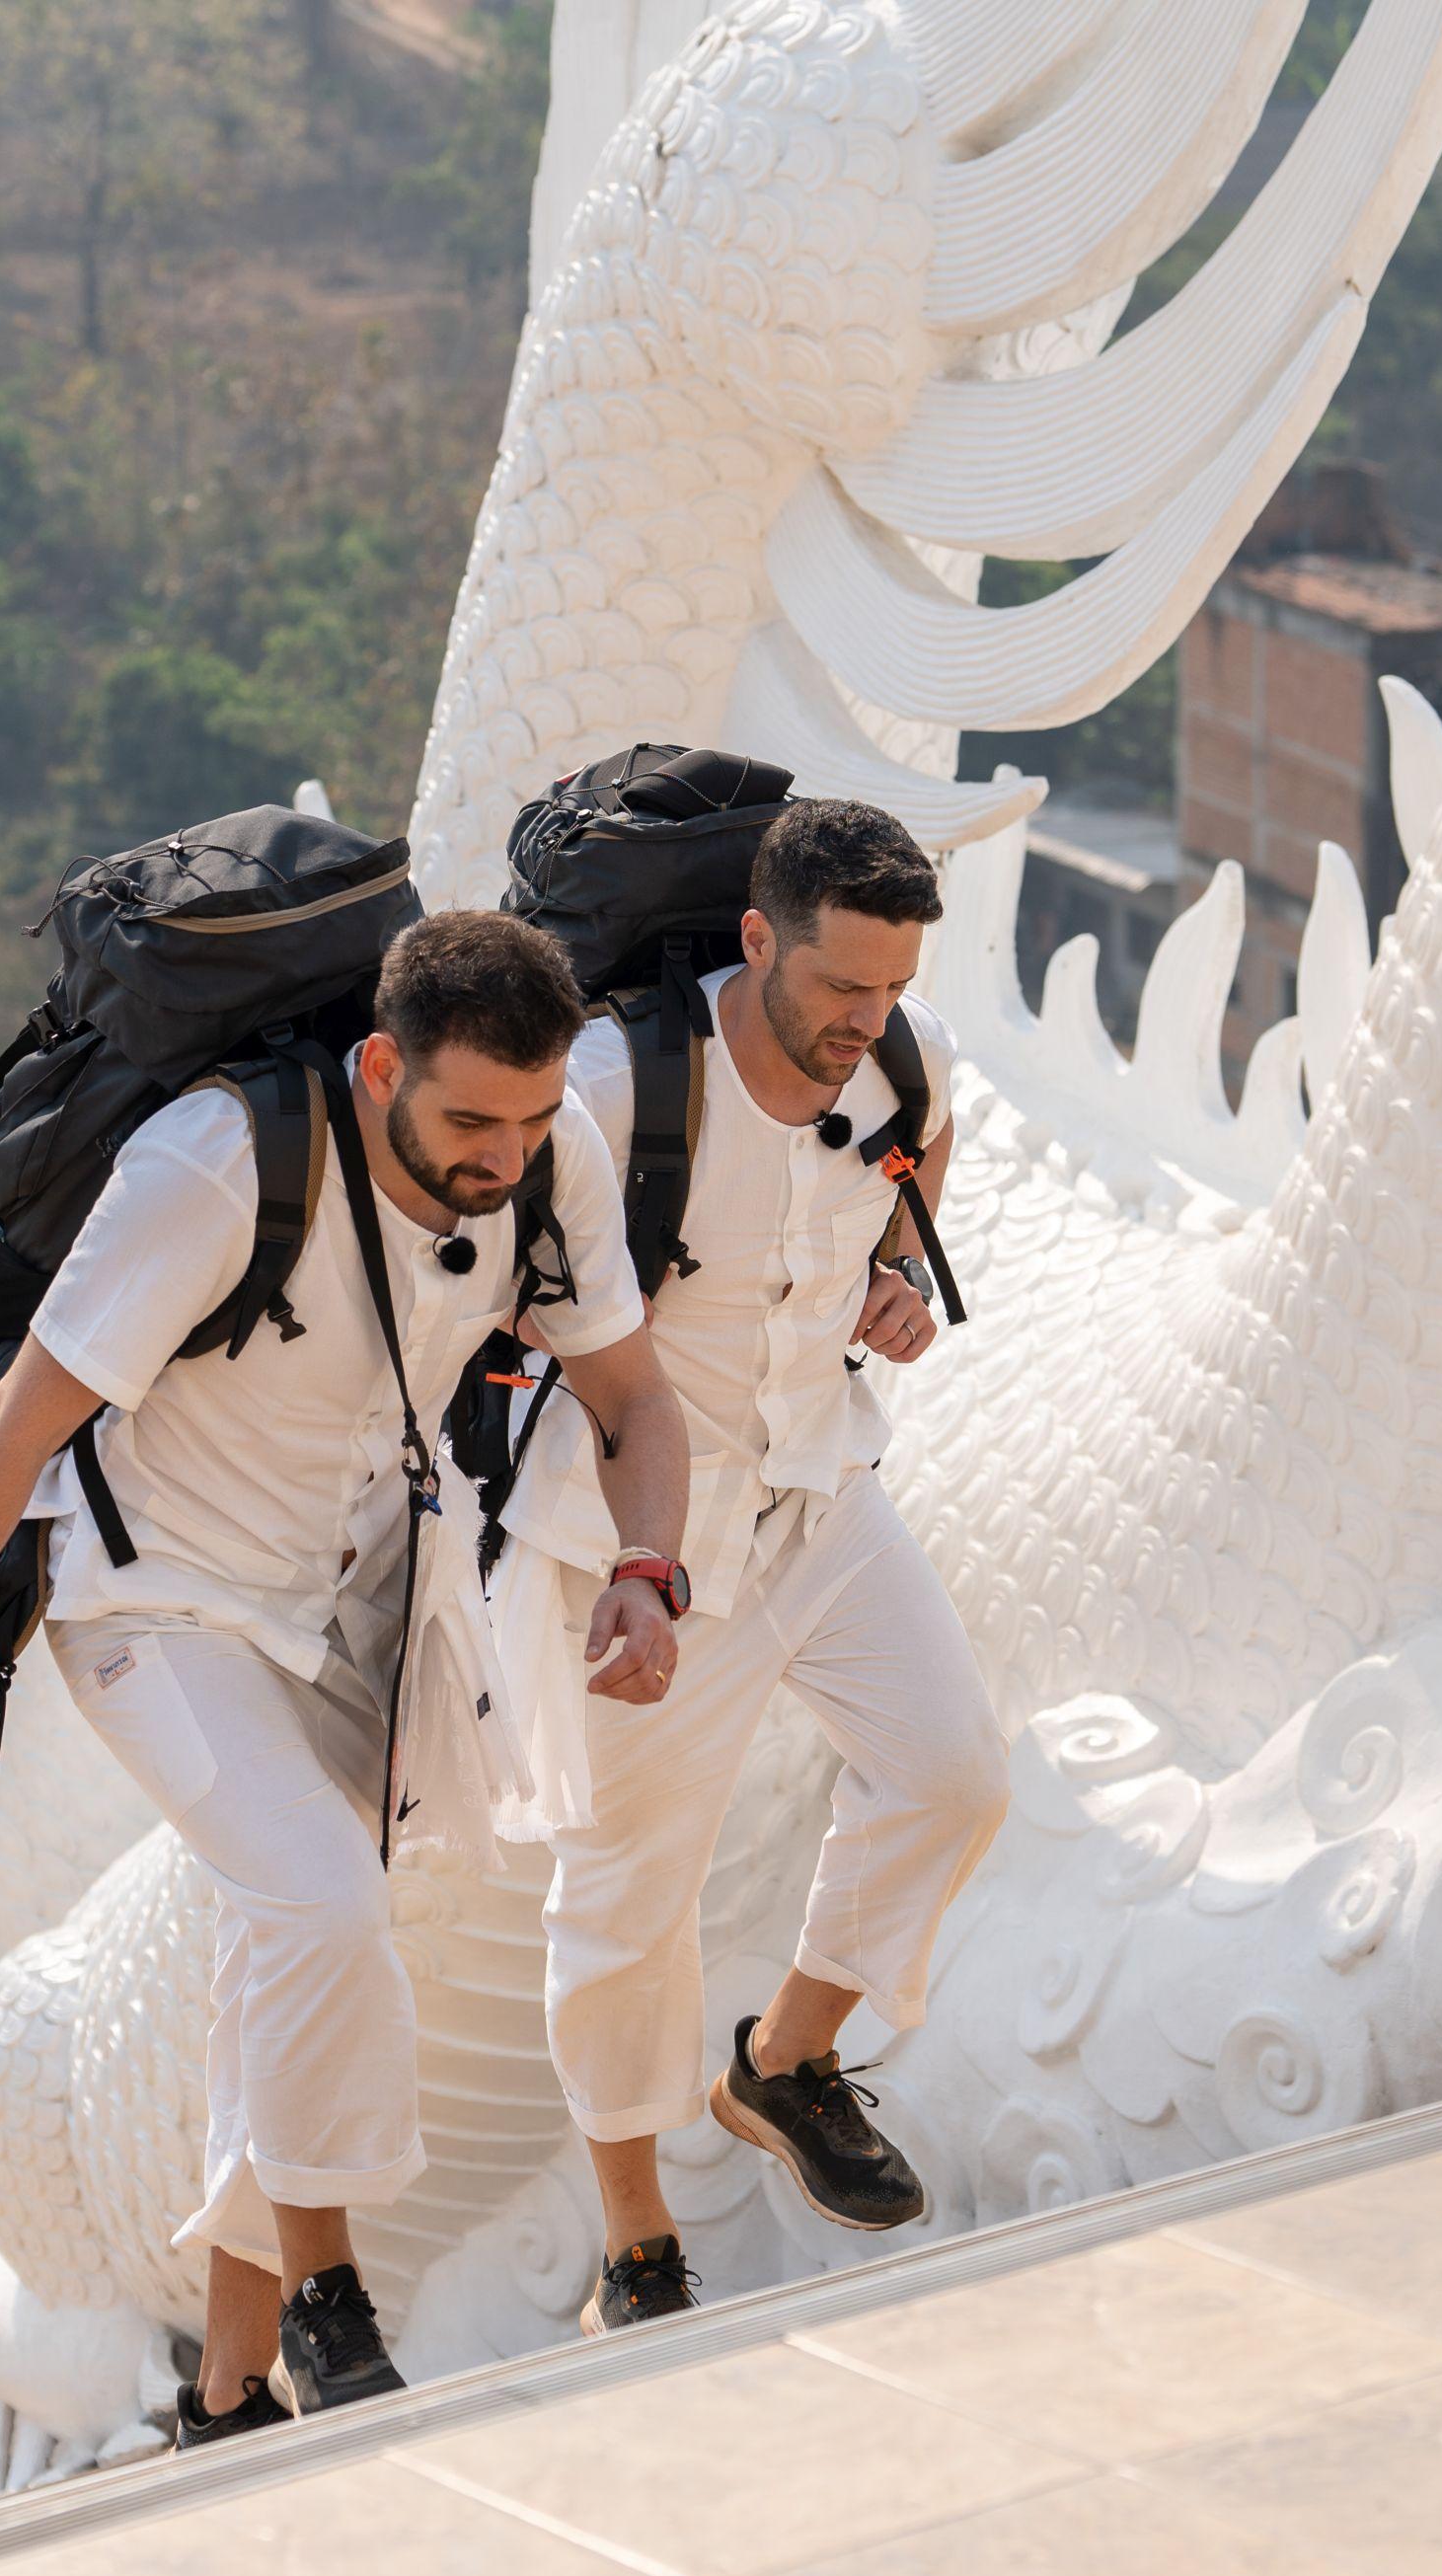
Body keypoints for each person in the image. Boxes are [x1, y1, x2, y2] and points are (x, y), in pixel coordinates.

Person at [0, 910, 689, 2430]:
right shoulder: (220, 1167)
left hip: (365, 1609)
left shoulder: (548, 1158)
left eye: (534, 1119)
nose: (506, 1156)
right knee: (323, 1909)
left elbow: (635, 1399)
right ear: (381, 1067)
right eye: (472, 1122)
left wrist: (649, 1566)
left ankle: (227, 2383)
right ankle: (326, 2293)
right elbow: (13, 1435)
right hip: (156, 1606)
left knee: (290, 1955)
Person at [493, 799, 1011, 2332]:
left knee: (954, 1776)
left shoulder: (908, 1062)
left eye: (893, 986)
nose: (867, 1019)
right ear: (756, 939)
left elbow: (917, 1170)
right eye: (841, 985)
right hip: (637, 1548)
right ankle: (637, 2246)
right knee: (624, 1901)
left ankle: (785, 2062)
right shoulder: (610, 1088)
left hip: (821, 1497)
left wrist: (901, 1273)